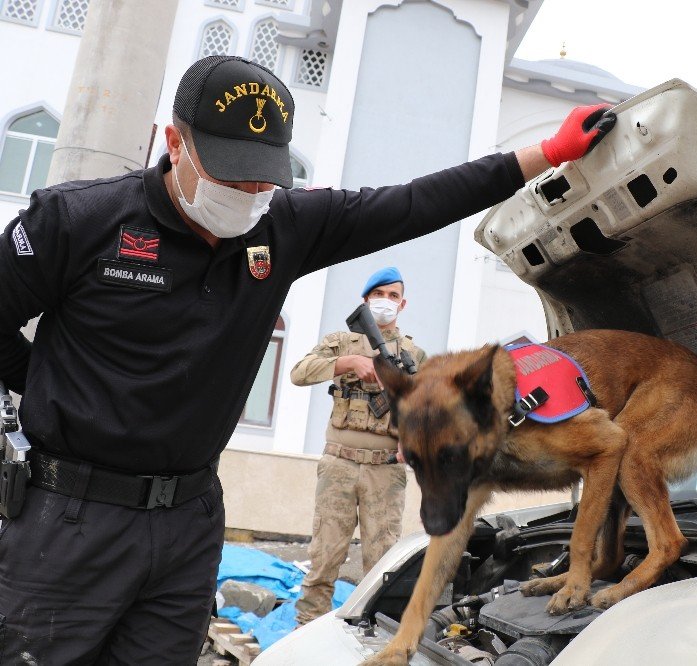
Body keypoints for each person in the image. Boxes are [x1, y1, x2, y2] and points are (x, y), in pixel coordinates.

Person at [0, 54, 615, 664]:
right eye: (231, 176)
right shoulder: (80, 221)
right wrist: (47, 386)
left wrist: (548, 153)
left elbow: (412, 203)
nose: (249, 195)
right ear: (175, 143)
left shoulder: (281, 228)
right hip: (69, 520)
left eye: (263, 179)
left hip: (187, 520)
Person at [290, 266, 424, 626]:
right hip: (339, 465)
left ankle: (367, 638)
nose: (386, 302)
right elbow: (299, 372)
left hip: (385, 471)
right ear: (366, 301)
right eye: (379, 295)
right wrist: (349, 363)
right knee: (324, 558)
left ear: (403, 303)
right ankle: (305, 634)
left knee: (382, 565)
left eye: (393, 296)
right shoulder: (342, 341)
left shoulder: (413, 354)